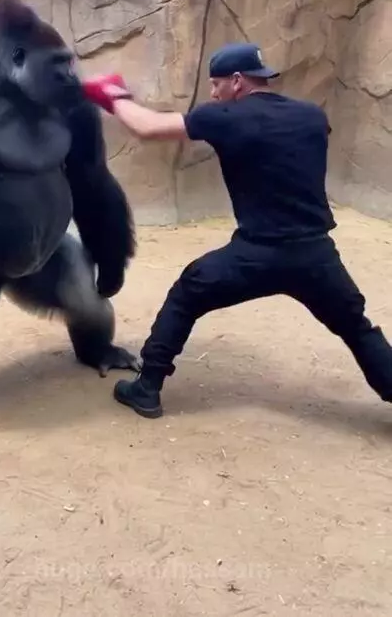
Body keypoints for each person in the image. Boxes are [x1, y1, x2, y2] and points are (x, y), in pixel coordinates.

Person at [82, 42, 392, 418]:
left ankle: (147, 388)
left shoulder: (224, 117)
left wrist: (113, 95)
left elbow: (147, 128)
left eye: (216, 84)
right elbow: (308, 137)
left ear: (238, 80)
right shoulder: (312, 116)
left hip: (256, 254)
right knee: (358, 329)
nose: (213, 93)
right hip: (316, 255)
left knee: (187, 294)